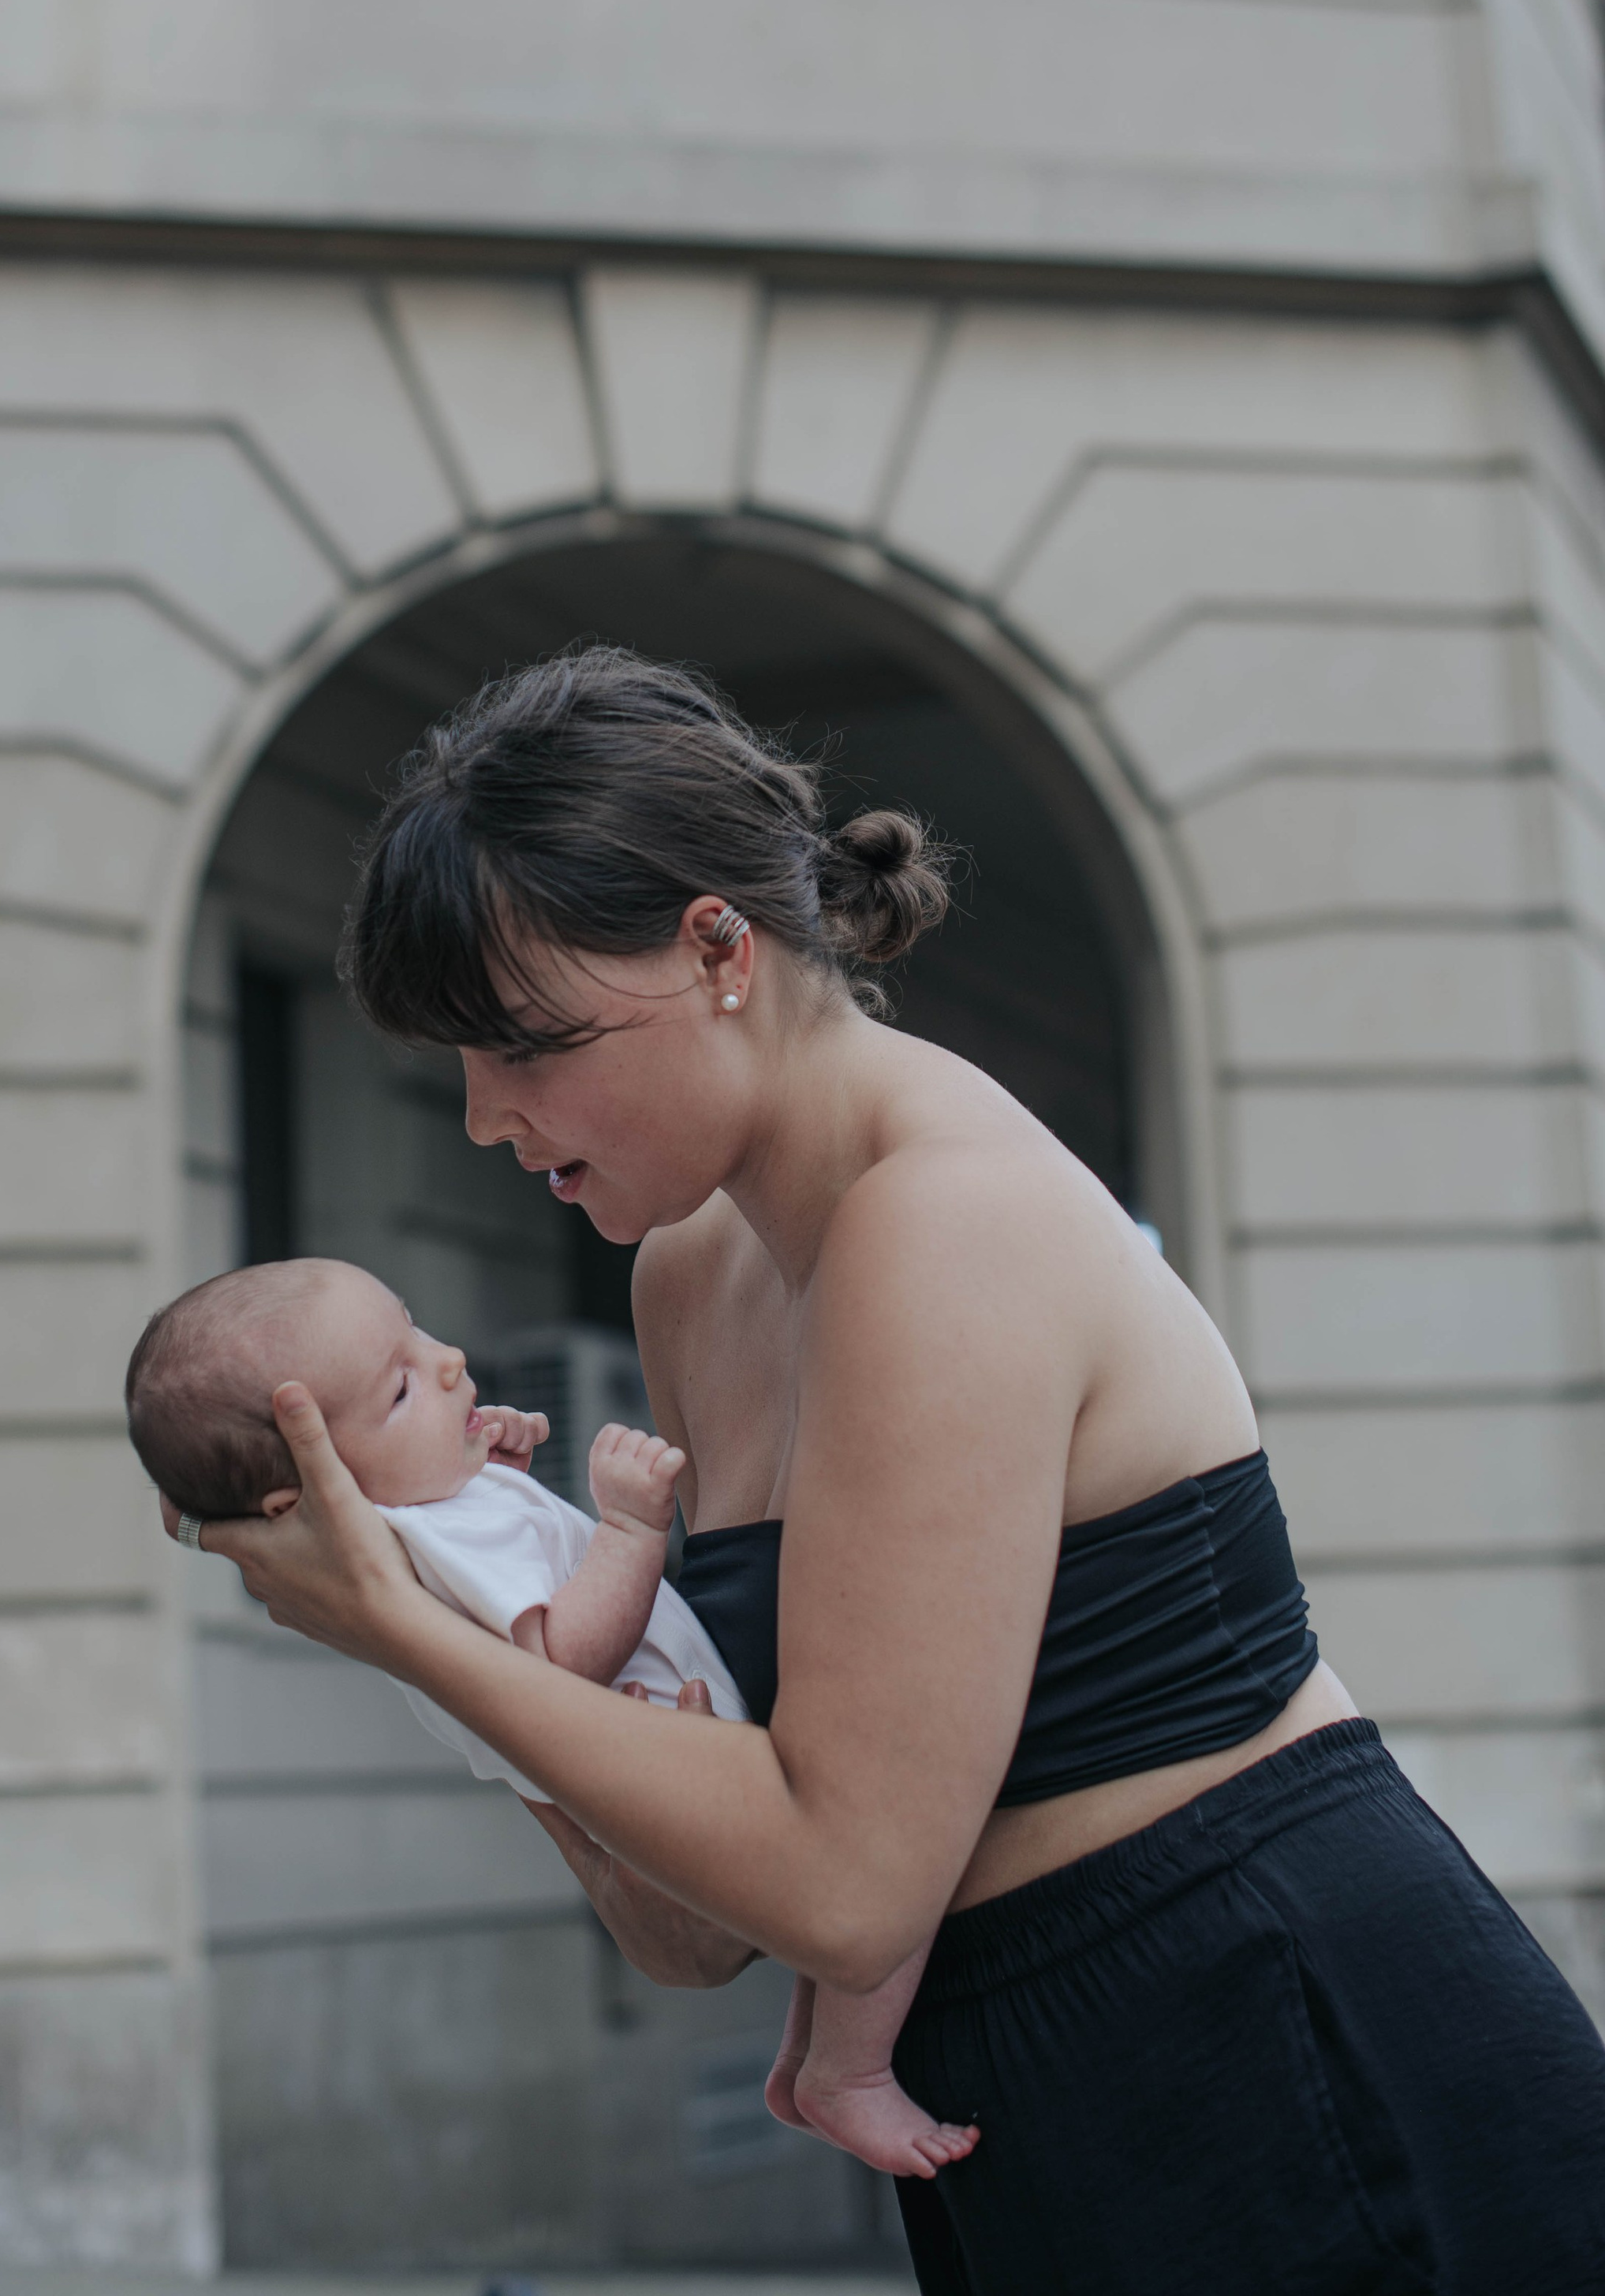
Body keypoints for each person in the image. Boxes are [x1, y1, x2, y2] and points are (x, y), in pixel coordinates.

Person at [166, 647, 1605, 2294]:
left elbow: (845, 1891)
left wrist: (392, 1629)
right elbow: (696, 1930)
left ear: (719, 947)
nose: (490, 1115)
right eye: (460, 1063)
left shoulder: (942, 1217)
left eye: (528, 1042)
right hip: (1017, 2083)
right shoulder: (691, 1270)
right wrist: (456, 1617)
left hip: (1272, 2022)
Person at [125, 1253, 978, 2179]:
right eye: (402, 1389)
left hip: (688, 1748)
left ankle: (810, 2056)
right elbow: (560, 1664)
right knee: (904, 1859)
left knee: (853, 1878)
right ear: (313, 1497)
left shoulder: (423, 1522)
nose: (447, 1359)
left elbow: (514, 1576)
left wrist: (496, 1469)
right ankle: (848, 2071)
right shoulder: (429, 1539)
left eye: (414, 1328)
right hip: (667, 1761)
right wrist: (629, 1529)